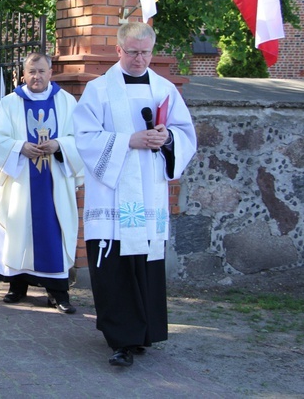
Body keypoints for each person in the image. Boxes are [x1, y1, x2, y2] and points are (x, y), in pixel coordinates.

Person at [73, 22, 197, 366]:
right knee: (115, 270)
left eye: (145, 52)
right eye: (132, 52)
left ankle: (143, 333)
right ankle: (121, 340)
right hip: (112, 199)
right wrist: (130, 140)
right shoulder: (99, 90)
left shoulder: (164, 89)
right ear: (118, 50)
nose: (140, 58)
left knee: (145, 265)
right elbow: (84, 136)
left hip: (149, 195)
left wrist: (166, 138)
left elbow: (185, 134)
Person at [0, 53, 84, 314]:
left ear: (50, 73)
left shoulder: (66, 102)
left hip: (54, 182)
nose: (37, 76)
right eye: (32, 72)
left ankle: (58, 293)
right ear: (24, 74)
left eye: (42, 71)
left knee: (53, 231)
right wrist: (19, 147)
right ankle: (16, 286)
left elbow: (80, 140)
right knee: (17, 229)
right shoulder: (10, 103)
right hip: (20, 181)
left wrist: (59, 145)